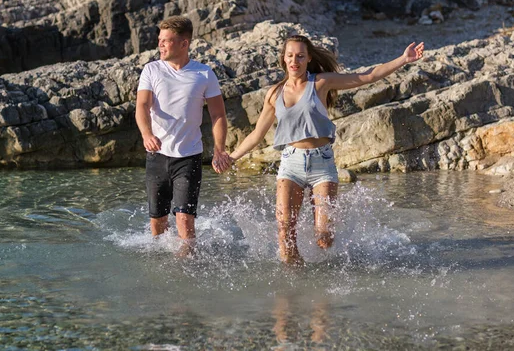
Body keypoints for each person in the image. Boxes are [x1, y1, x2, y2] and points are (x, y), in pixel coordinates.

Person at [229, 35, 424, 264]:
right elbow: (256, 134)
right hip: (290, 163)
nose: (295, 60)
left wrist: (403, 59)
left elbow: (367, 77)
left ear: (309, 58)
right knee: (285, 232)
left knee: (324, 238)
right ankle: (294, 287)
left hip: (321, 164)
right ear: (283, 58)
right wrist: (231, 157)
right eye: (290, 55)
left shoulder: (320, 83)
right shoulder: (274, 94)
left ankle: (325, 279)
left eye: (300, 56)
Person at [135, 16, 231, 256]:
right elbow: (142, 107)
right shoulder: (151, 69)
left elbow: (218, 115)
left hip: (189, 157)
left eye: (167, 41)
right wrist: (147, 134)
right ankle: (160, 265)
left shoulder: (204, 74)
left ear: (184, 43)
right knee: (157, 221)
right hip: (157, 155)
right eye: (160, 40)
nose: (161, 45)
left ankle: (186, 269)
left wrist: (219, 149)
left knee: (185, 220)